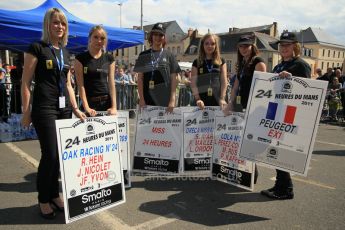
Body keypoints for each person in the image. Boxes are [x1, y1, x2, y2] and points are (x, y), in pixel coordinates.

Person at [21, 8, 86, 219]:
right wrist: (26, 111)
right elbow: (25, 82)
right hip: (44, 108)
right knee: (49, 154)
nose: (60, 27)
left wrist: (75, 108)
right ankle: (43, 199)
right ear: (48, 24)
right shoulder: (36, 47)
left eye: (63, 24)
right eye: (56, 23)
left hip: (64, 109)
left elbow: (68, 83)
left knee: (60, 156)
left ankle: (54, 194)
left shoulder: (64, 52)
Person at [261, 31, 311, 200]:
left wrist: (291, 80)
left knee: (283, 149)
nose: (284, 48)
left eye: (287, 45)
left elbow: (307, 91)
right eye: (282, 45)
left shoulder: (301, 65)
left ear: (295, 47)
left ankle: (286, 188)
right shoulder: (277, 66)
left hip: (290, 114)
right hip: (275, 111)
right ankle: (280, 185)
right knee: (274, 149)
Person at [223, 33, 266, 184]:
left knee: (250, 144)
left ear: (252, 46)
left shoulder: (258, 62)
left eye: (246, 46)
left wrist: (252, 109)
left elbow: (262, 90)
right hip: (241, 107)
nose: (243, 48)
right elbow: (235, 87)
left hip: (253, 108)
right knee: (240, 142)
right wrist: (230, 104)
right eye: (241, 46)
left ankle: (251, 176)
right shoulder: (242, 63)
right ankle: (244, 173)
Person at [134, 22, 180, 113]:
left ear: (164, 37)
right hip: (147, 100)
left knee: (165, 127)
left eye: (160, 35)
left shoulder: (170, 55)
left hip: (165, 101)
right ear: (151, 36)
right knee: (147, 127)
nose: (158, 37)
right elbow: (140, 79)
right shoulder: (143, 55)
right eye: (155, 34)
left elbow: (174, 79)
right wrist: (141, 99)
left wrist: (172, 100)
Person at [75, 25, 117, 116]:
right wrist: (86, 107)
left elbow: (111, 83)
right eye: (96, 37)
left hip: (107, 103)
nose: (99, 41)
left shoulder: (109, 58)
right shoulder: (80, 58)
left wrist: (114, 106)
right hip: (90, 104)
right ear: (90, 38)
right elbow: (80, 85)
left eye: (102, 38)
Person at [191, 33, 227, 110]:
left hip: (218, 102)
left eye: (212, 44)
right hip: (201, 102)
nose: (209, 46)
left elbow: (224, 81)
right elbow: (193, 83)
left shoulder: (221, 61)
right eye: (207, 43)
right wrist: (198, 99)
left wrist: (222, 98)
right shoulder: (196, 62)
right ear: (202, 45)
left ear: (215, 46)